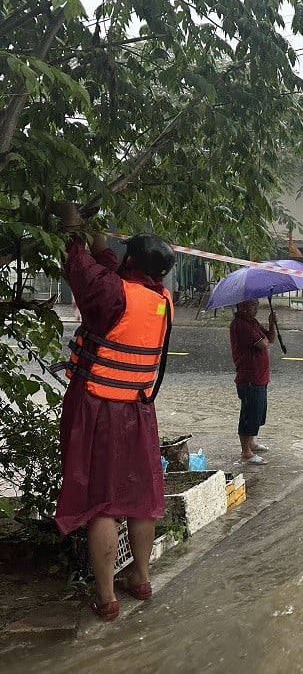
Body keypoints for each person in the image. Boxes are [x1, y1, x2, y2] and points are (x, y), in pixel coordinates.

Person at [53, 203, 175, 622]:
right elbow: (107, 274)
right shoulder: (161, 300)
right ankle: (140, 578)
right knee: (141, 498)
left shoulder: (112, 293)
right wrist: (100, 239)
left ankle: (106, 600)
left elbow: (84, 271)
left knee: (101, 503)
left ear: (130, 261)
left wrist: (73, 231)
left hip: (99, 409)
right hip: (139, 410)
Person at [230, 298, 277, 465]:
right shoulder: (240, 325)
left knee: (257, 413)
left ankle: (251, 443)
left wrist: (272, 324)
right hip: (249, 378)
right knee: (249, 414)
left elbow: (270, 339)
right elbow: (263, 344)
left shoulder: (253, 322)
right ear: (241, 306)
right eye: (252, 305)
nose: (256, 309)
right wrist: (265, 339)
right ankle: (246, 453)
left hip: (260, 377)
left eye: (257, 305)